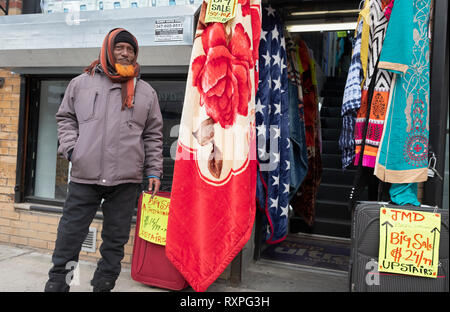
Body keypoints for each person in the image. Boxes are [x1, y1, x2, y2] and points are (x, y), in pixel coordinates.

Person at [44, 28, 163, 292]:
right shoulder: (81, 83)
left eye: (130, 50)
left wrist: (154, 171)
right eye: (120, 47)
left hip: (126, 181)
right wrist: (73, 150)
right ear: (108, 50)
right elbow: (65, 118)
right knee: (70, 239)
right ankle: (61, 286)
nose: (125, 53)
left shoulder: (146, 92)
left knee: (114, 243)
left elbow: (153, 136)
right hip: (85, 176)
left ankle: (102, 287)